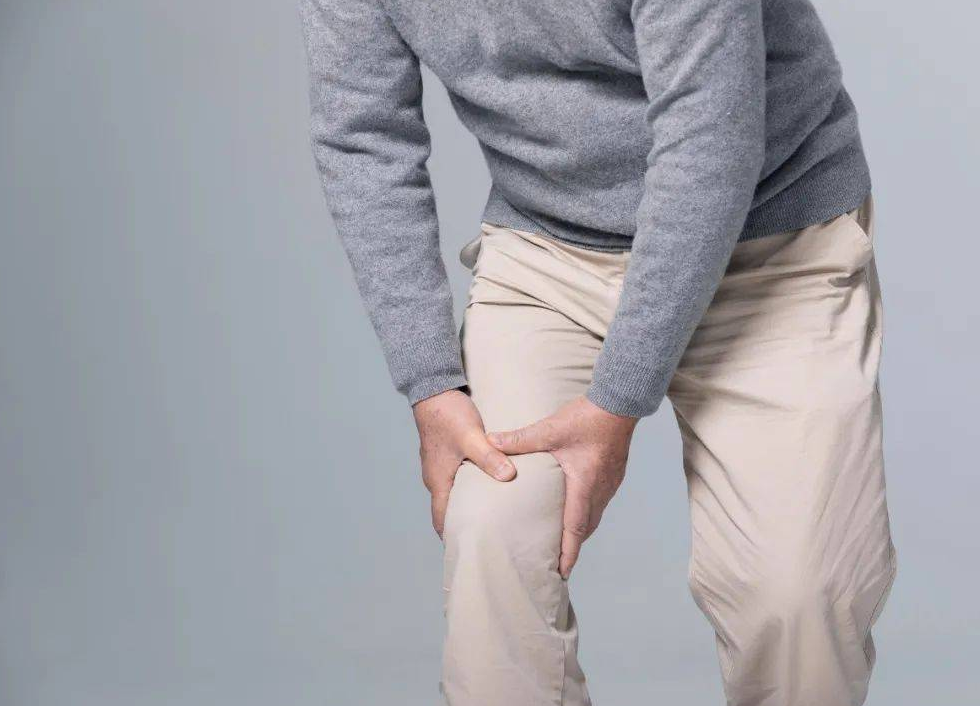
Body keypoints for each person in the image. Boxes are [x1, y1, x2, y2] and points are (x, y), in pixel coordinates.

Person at [299, 0, 896, 703]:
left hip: (771, 238)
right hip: (549, 250)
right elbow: (362, 139)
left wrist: (618, 398)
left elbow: (709, 139)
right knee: (492, 533)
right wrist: (430, 382)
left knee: (798, 594)